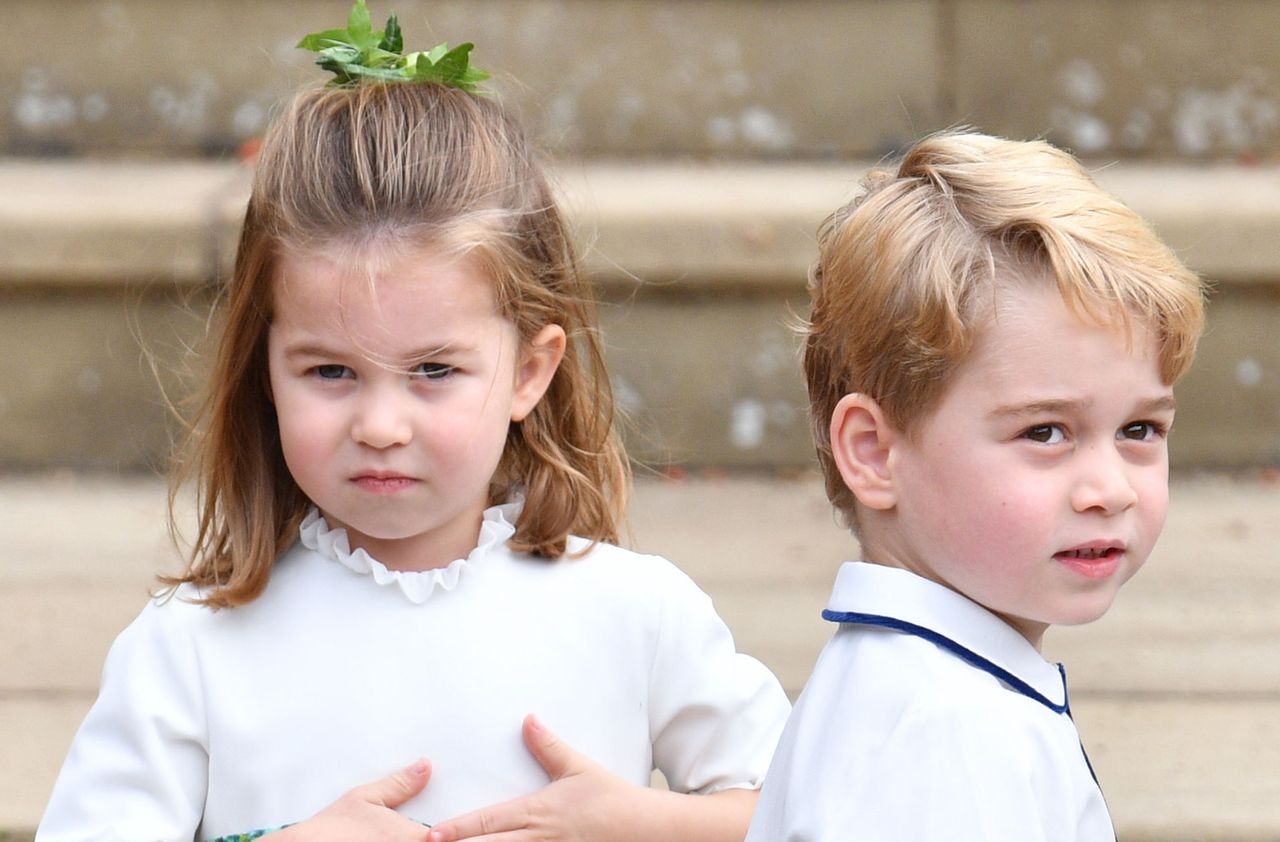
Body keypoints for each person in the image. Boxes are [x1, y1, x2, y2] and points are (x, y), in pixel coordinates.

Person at [37, 6, 788, 841]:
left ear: (530, 372)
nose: (381, 424)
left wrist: (642, 824)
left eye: (434, 371)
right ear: (266, 372)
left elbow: (817, 811)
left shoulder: (637, 615)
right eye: (330, 371)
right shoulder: (188, 651)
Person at [745, 130, 1206, 841]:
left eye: (1140, 430)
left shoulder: (933, 687)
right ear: (872, 453)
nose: (1109, 489)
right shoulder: (946, 730)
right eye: (1045, 432)